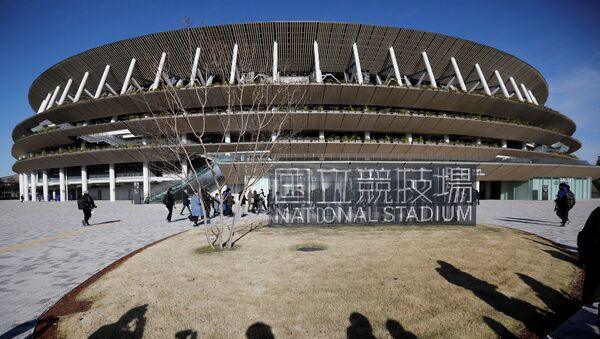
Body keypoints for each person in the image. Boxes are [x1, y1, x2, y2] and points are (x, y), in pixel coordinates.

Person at [577, 207, 600, 328]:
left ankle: (587, 302)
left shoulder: (597, 213)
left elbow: (583, 237)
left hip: (595, 260)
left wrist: (583, 259)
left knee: (591, 283)